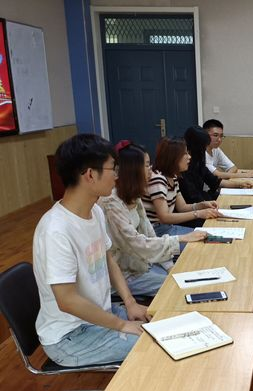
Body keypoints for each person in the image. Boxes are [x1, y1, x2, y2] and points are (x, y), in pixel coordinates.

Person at [33, 134, 151, 367]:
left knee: (160, 323)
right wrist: (121, 325)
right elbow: (67, 301)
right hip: (69, 336)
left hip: (97, 316)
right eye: (112, 168)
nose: (116, 175)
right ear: (90, 174)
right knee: (154, 345)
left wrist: (130, 302)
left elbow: (108, 258)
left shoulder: (95, 211)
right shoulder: (55, 230)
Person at [98, 141, 207, 296]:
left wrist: (170, 267)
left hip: (141, 264)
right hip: (125, 275)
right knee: (182, 288)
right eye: (147, 165)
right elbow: (136, 244)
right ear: (133, 170)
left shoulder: (134, 196)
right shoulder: (111, 202)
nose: (151, 170)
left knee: (186, 275)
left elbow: (150, 235)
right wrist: (181, 239)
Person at [142, 136, 220, 234]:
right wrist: (198, 214)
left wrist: (201, 205)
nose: (189, 157)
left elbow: (182, 207)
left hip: (167, 227)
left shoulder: (173, 176)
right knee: (206, 237)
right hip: (156, 231)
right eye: (185, 153)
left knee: (209, 234)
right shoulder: (158, 180)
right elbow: (164, 217)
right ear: (173, 157)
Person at [180, 126, 253, 205]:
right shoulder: (182, 167)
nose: (204, 150)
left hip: (202, 198)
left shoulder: (198, 159)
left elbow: (214, 181)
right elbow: (192, 196)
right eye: (203, 147)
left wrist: (240, 184)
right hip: (194, 204)